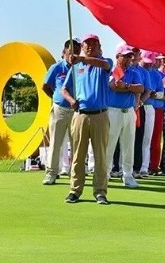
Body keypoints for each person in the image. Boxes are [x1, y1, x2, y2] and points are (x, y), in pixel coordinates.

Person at [61, 33, 112, 205]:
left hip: (100, 115)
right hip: (81, 115)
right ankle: (75, 190)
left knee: (100, 156)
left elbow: (104, 65)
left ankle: (100, 192)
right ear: (82, 46)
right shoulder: (76, 68)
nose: (90, 46)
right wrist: (71, 100)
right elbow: (64, 90)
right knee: (78, 155)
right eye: (87, 44)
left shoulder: (105, 63)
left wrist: (82, 58)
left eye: (93, 44)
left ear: (99, 47)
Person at [41, 38, 81, 185]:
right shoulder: (57, 68)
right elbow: (45, 86)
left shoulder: (81, 68)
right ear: (64, 52)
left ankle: (74, 173)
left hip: (77, 111)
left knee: (76, 143)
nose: (73, 55)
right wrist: (56, 97)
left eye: (77, 51)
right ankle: (51, 173)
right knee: (56, 143)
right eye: (71, 51)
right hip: (60, 110)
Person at [105, 44, 144, 188]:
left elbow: (140, 88)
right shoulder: (113, 71)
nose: (129, 59)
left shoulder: (134, 72)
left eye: (130, 56)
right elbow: (114, 86)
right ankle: (105, 174)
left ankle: (127, 176)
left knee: (129, 146)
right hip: (113, 111)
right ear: (117, 57)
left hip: (129, 112)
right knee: (109, 145)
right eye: (125, 56)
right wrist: (129, 88)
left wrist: (127, 86)